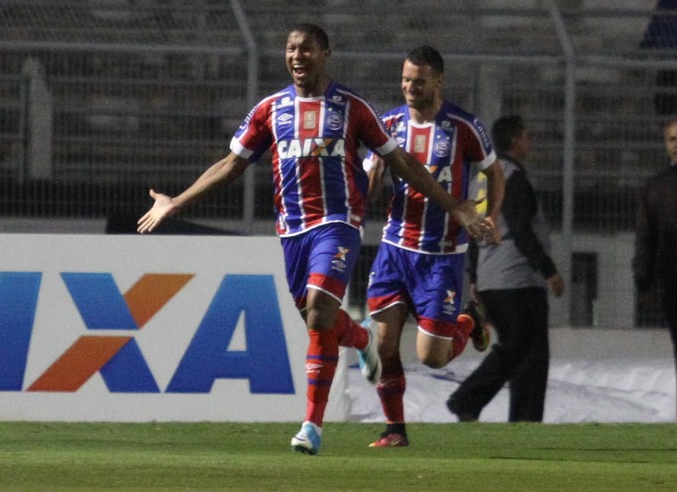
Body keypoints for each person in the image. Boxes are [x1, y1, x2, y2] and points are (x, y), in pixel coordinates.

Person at [137, 24, 494, 455]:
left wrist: (456, 206)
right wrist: (175, 202)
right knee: (316, 318)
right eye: (291, 48)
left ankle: (312, 425)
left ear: (325, 53)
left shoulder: (353, 108)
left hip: (338, 224)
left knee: (324, 309)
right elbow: (231, 164)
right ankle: (361, 340)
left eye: (307, 48)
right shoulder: (270, 109)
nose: (297, 55)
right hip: (293, 233)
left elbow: (401, 162)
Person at [363, 45, 505, 448]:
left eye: (418, 80)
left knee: (432, 357)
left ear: (438, 82)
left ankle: (467, 322)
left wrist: (491, 216)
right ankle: (394, 430)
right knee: (386, 343)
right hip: (395, 249)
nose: (410, 86)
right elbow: (370, 191)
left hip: (442, 257)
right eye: (406, 79)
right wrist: (371, 173)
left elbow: (494, 174)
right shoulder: (388, 123)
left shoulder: (463, 126)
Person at [446, 115, 565, 423]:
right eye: (526, 137)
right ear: (515, 141)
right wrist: (549, 270)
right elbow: (521, 229)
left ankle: (517, 418)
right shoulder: (513, 178)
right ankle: (469, 399)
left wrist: (474, 276)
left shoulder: (481, 178)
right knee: (526, 350)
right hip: (517, 278)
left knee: (520, 348)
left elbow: (471, 230)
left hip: (490, 277)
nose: (529, 142)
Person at [633, 118, 677, 378]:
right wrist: (643, 281)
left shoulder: (656, 186)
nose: (676, 145)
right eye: (672, 139)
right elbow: (645, 238)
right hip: (672, 279)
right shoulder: (655, 187)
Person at [641, 0, 677, 116]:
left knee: (666, 106)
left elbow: (660, 16)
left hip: (671, 57)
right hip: (669, 56)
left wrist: (646, 45)